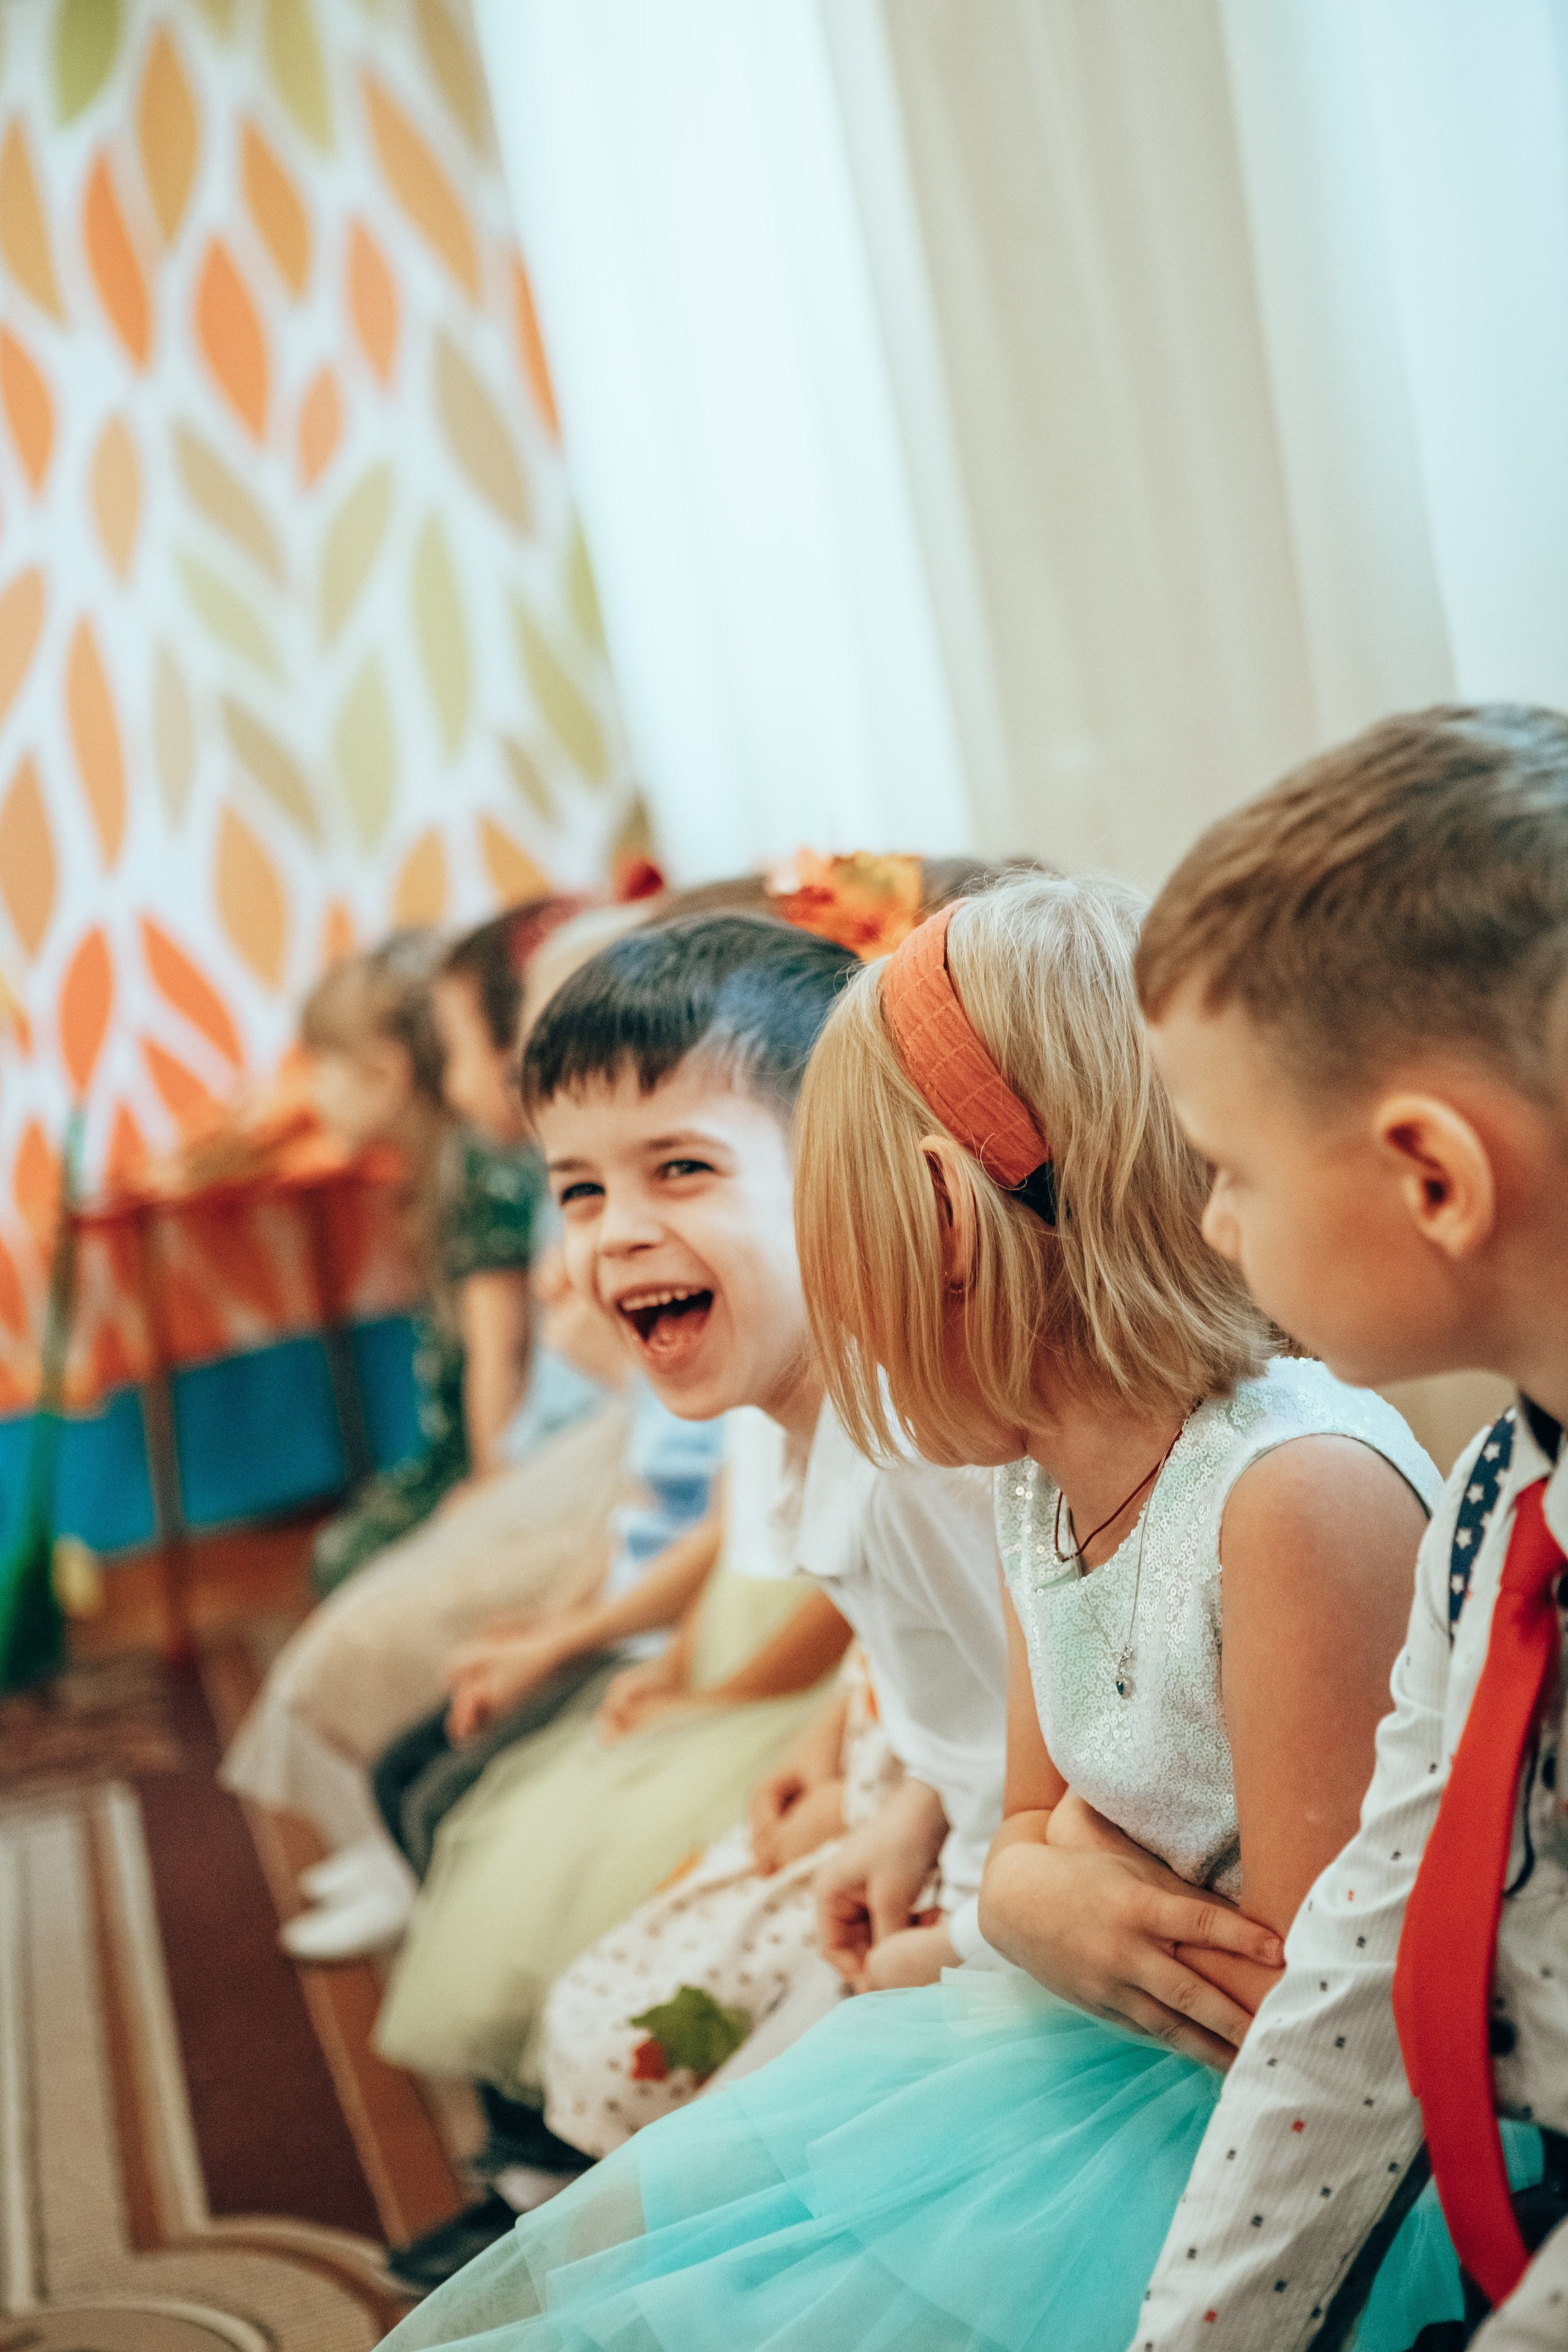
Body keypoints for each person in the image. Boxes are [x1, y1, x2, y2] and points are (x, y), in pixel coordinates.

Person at [381, 872, 1501, 2352]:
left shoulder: (1287, 1491)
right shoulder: (1041, 1472)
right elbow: (1026, 1835)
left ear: (933, 1213)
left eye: (831, 1232)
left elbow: (1300, 2022)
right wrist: (1027, 1894)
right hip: (1066, 2036)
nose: (835, 1308)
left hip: (1250, 2151)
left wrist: (1035, 1888)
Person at [1122, 704, 1568, 2352]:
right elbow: (1369, 1944)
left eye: (1227, 1169)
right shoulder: (1496, 1504)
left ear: (1431, 1178)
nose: (1213, 1225)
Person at [302, 931, 541, 1594]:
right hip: (453, 1456)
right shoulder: (438, 1169)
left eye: (318, 1063)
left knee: (344, 1562)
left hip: (493, 1459)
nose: (311, 1090)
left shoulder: (473, 1169)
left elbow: (503, 1351)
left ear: (384, 1072)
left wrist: (494, 1500)